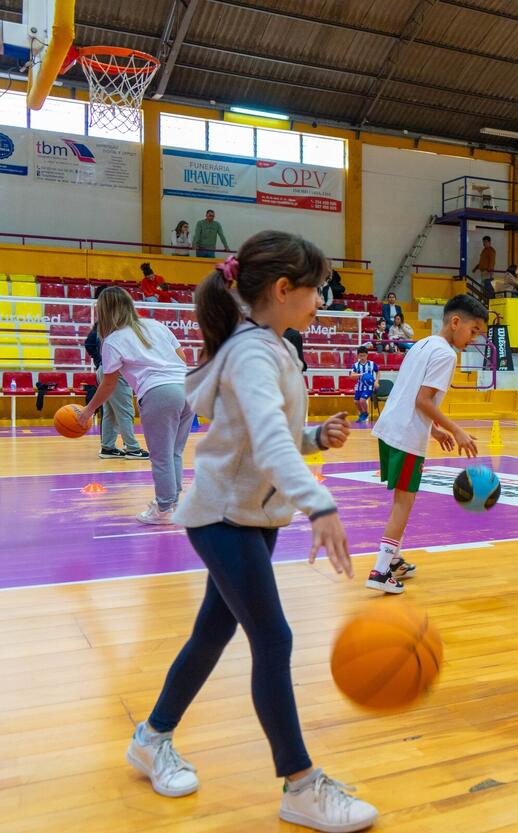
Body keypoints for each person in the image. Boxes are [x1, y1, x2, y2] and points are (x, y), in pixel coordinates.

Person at [123, 231, 377, 832]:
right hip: (221, 518)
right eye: (318, 289)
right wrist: (319, 503)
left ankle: (151, 736)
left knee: (212, 635)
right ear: (284, 290)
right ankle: (300, 784)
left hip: (251, 517)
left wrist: (316, 439)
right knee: (275, 638)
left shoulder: (275, 348)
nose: (325, 298)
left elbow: (270, 434)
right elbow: (264, 443)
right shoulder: (254, 352)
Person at [367, 295, 488, 594]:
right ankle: (380, 571)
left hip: (391, 427)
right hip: (407, 434)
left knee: (400, 499)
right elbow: (422, 400)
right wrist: (456, 430)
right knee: (403, 503)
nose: (473, 339)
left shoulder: (422, 344)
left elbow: (410, 395)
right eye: (473, 331)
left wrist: (434, 430)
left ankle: (393, 562)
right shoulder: (446, 355)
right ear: (455, 322)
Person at [76, 287, 192, 524]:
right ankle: (173, 503)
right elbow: (183, 359)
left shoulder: (113, 340)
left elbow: (108, 385)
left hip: (160, 393)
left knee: (161, 456)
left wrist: (88, 411)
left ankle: (163, 509)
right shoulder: (157, 326)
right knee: (174, 453)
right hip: (189, 387)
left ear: (104, 311)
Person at [83, 292, 149, 461]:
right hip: (115, 371)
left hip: (106, 369)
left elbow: (89, 343)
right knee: (125, 411)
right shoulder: (122, 327)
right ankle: (133, 448)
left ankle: (108, 447)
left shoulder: (105, 326)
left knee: (110, 411)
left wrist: (99, 360)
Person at [349, 346, 379, 425]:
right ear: (358, 356)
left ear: (367, 355)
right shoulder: (355, 365)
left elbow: (378, 372)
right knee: (356, 402)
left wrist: (376, 381)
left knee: (362, 400)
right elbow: (352, 375)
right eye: (361, 355)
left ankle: (365, 413)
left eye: (364, 355)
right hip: (359, 386)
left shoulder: (372, 364)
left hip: (369, 387)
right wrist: (360, 374)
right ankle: (362, 413)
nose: (362, 357)